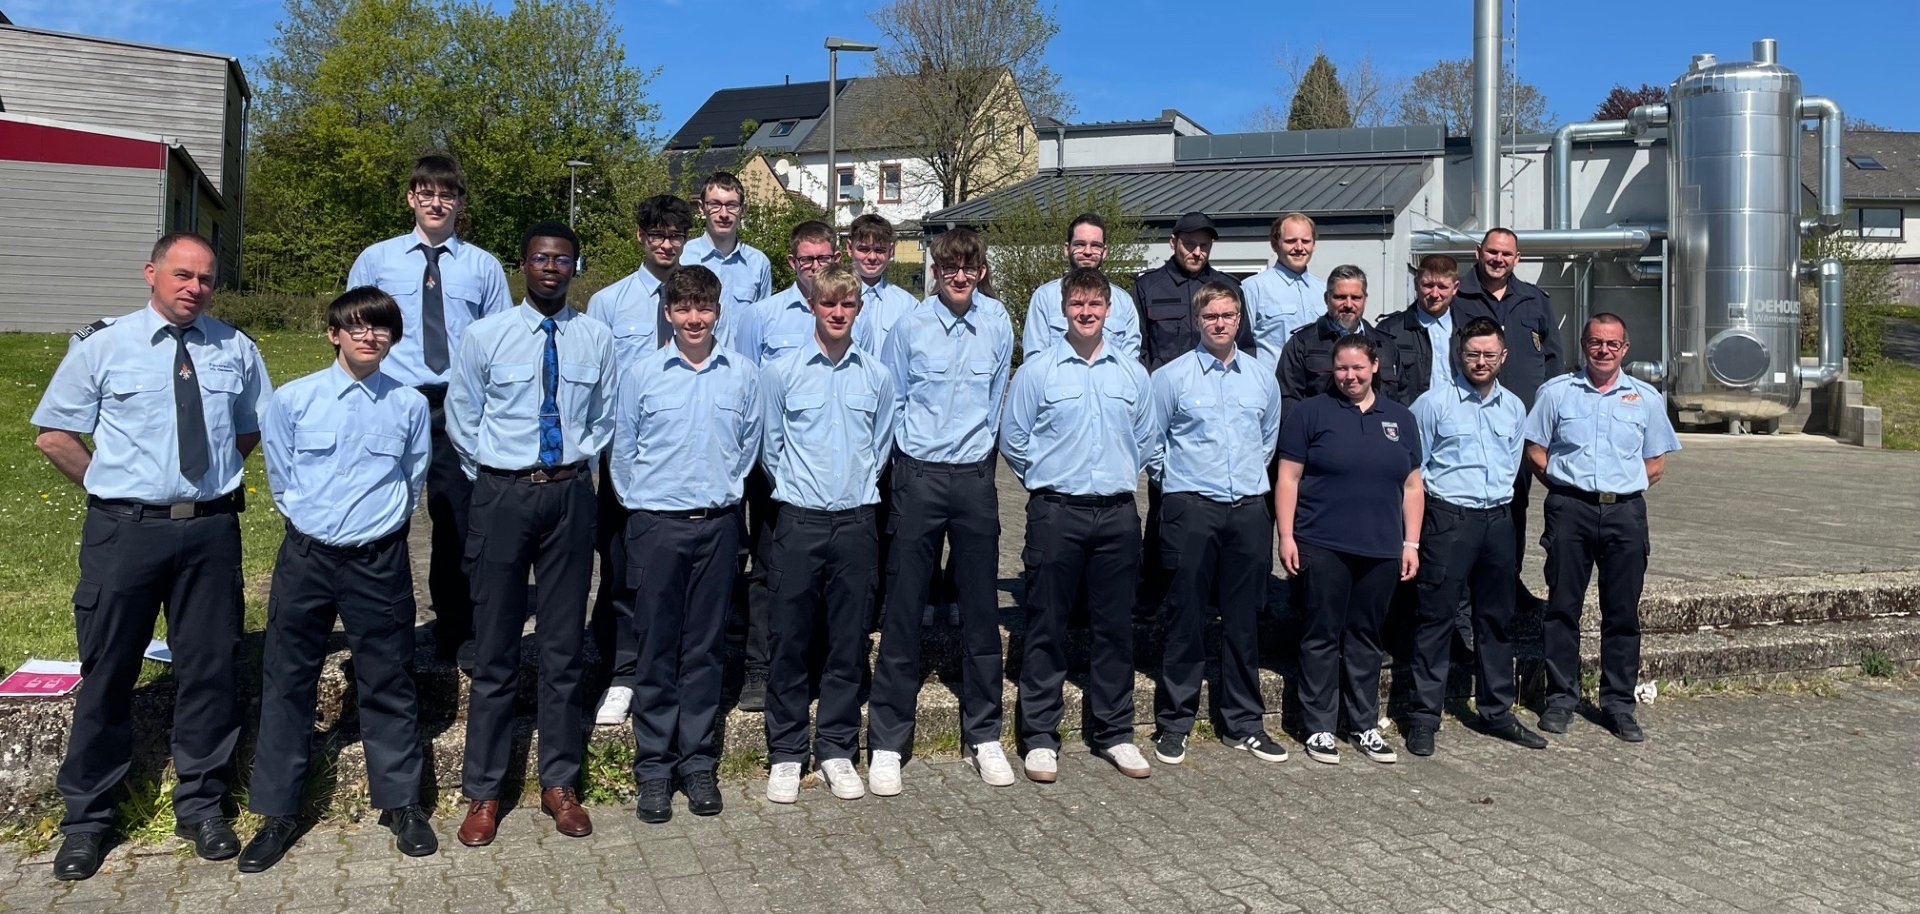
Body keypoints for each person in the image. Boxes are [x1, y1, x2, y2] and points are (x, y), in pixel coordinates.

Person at [33, 233, 270, 881]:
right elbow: (55, 435)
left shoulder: (236, 348)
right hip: (124, 534)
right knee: (109, 670)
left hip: (210, 533)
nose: (195, 287)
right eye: (182, 274)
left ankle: (202, 807)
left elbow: (249, 428)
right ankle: (88, 820)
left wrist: (202, 483)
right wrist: (112, 487)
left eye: (206, 278)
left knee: (210, 669)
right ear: (151, 273)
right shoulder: (102, 344)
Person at [242, 288, 434, 872]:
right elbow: (281, 475)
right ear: (334, 334)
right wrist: (313, 523)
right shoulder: (294, 399)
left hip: (378, 560)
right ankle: (278, 812)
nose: (369, 336)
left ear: (392, 339)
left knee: (389, 677)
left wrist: (380, 527)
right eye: (357, 326)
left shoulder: (409, 405)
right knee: (287, 679)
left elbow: (412, 476)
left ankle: (401, 803)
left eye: (381, 328)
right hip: (308, 557)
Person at [447, 221, 616, 845]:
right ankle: (484, 791)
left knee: (562, 647)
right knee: (495, 648)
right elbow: (462, 416)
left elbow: (605, 414)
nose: (551, 267)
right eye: (541, 257)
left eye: (563, 259)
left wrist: (573, 461)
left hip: (570, 495)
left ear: (575, 268)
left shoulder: (596, 338)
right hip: (502, 495)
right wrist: (499, 474)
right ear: (522, 265)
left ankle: (560, 783)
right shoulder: (484, 336)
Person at [346, 154, 512, 663]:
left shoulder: (483, 266)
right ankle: (380, 628)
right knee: (378, 511)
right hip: (390, 399)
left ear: (460, 203)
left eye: (447, 194)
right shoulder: (376, 260)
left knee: (456, 517)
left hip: (456, 403)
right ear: (410, 198)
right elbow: (354, 329)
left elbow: (500, 343)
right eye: (426, 193)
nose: (436, 203)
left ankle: (456, 629)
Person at [867, 228, 1015, 796]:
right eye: (948, 266)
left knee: (980, 610)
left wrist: (982, 462)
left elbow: (996, 398)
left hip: (974, 478)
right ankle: (887, 741)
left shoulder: (998, 322)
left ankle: (984, 735)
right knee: (904, 609)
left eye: (968, 266)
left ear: (981, 271)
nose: (958, 275)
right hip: (919, 475)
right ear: (934, 271)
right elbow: (893, 400)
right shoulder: (910, 326)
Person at [611, 265, 761, 824]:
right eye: (683, 308)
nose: (694, 318)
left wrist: (720, 493)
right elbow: (623, 450)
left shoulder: (743, 375)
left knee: (704, 648)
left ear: (718, 312)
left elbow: (748, 446)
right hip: (658, 527)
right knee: (656, 646)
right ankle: (654, 767)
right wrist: (646, 505)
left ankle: (697, 763)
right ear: (668, 313)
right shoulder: (642, 374)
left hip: (718, 526)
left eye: (704, 308)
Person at [1001, 266, 1159, 783]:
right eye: (1077, 304)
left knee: (1114, 629)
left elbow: (1146, 438)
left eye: (1095, 304)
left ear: (1109, 310)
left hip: (1116, 514)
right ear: (1063, 309)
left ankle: (1114, 732)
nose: (1086, 312)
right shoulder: (1038, 371)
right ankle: (1040, 738)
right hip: (1056, 513)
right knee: (1045, 624)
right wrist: (1048, 480)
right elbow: (1014, 438)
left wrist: (1113, 473)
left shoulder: (1132, 373)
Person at [758, 264, 900, 804]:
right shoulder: (781, 372)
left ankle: (837, 749)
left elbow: (880, 446)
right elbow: (770, 447)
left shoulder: (877, 376)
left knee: (847, 642)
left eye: (847, 305)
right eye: (828, 304)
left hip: (857, 523)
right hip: (799, 521)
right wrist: (801, 489)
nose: (838, 313)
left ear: (858, 310)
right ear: (813, 307)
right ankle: (787, 752)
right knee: (789, 640)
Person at [1146, 282, 1286, 766]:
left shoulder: (1262, 378)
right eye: (1211, 316)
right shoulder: (1171, 377)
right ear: (1197, 321)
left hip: (1247, 509)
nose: (1220, 323)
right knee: (1184, 616)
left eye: (1227, 315)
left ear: (1240, 319)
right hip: (1192, 508)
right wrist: (1180, 485)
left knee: (1244, 620)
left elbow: (1267, 440)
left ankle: (1244, 723)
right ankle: (1174, 723)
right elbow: (1153, 442)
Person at [1523, 313, 1679, 742]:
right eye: (1595, 342)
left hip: (1624, 515)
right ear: (1584, 345)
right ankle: (1561, 699)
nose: (1603, 350)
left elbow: (1656, 463)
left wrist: (1618, 487)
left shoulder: (1646, 398)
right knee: (1562, 609)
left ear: (1625, 348)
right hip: (1570, 511)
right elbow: (1535, 449)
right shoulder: (1556, 393)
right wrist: (1565, 487)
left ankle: (1618, 705)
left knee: (1622, 613)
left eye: (1612, 344)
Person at [1403, 317, 1549, 757]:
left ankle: (1496, 711)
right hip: (1449, 520)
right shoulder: (1432, 404)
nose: (1481, 362)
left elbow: (1512, 462)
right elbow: (1414, 470)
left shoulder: (1514, 407)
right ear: (1459, 355)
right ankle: (1423, 718)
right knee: (1435, 619)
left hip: (1498, 520)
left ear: (1503, 357)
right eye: (1473, 354)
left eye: (1489, 354)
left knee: (1495, 620)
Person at [1275, 333, 1422, 766]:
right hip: (1323, 543)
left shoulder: (1400, 418)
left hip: (1381, 547)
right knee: (1321, 635)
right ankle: (1319, 726)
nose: (1350, 376)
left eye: (1358, 367)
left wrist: (1411, 542)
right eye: (1342, 368)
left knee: (1366, 637)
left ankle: (1364, 724)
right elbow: (1288, 478)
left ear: (1375, 366)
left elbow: (1413, 486)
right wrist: (1286, 536)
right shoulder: (1310, 413)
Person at [586, 194, 694, 727]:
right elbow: (597, 383)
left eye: (675, 235)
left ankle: (675, 667)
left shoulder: (700, 300)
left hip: (685, 455)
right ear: (641, 237)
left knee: (680, 571)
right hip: (629, 457)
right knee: (622, 569)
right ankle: (622, 673)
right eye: (657, 235)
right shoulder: (608, 303)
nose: (666, 244)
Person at [729, 219, 842, 711]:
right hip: (774, 465)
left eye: (823, 258)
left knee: (825, 572)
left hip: (828, 464)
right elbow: (744, 388)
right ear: (792, 262)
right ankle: (759, 667)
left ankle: (816, 663)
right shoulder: (762, 316)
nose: (815, 267)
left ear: (835, 258)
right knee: (767, 568)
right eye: (806, 259)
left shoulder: (845, 310)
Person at [1453, 228, 1565, 594]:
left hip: (1519, 424)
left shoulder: (1534, 299)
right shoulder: (1457, 295)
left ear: (1517, 258)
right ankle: (1464, 587)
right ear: (1478, 252)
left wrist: (1548, 417)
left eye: (1506, 254)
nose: (1498, 259)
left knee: (1514, 503)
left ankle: (1508, 583)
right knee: (1464, 502)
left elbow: (1553, 358)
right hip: (1467, 418)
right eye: (1492, 252)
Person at [1132, 211, 1252, 370]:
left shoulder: (1229, 288)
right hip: (1164, 382)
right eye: (1189, 244)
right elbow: (1138, 349)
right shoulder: (1147, 287)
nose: (1197, 252)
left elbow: (1245, 346)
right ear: (1173, 242)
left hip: (1218, 381)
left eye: (1204, 245)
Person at [1275, 264, 1398, 413]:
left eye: (1356, 297)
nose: (1348, 304)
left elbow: (1400, 399)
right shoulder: (1302, 344)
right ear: (1326, 298)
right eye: (1340, 297)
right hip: (1321, 427)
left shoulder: (1385, 346)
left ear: (1365, 300)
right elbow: (1288, 400)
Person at [1021, 213, 1141, 361]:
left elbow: (1130, 363)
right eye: (1080, 244)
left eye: (1095, 245)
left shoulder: (1123, 301)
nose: (1088, 252)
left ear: (1104, 252)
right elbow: (1035, 360)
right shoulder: (1044, 297)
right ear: (1067, 249)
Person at [682, 171, 774, 317]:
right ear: (701, 207)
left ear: (743, 210)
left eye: (731, 205)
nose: (724, 214)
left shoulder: (758, 264)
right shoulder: (682, 258)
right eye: (715, 204)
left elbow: (762, 321)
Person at [1376, 254, 1463, 407]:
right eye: (1428, 285)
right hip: (1409, 417)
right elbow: (1380, 386)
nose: (1434, 294)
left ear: (1455, 288)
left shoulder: (1469, 329)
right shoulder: (1389, 331)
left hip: (1460, 417)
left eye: (1442, 287)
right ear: (1416, 284)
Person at [1242, 212, 1326, 366]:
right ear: (1275, 244)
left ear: (1314, 245)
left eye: (1306, 241)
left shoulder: (1324, 290)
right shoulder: (1253, 288)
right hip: (1272, 380)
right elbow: (1241, 346)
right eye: (1291, 241)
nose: (1299, 247)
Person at [847, 213, 921, 355]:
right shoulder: (830, 301)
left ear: (891, 251)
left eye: (880, 250)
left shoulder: (908, 305)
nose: (872, 257)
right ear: (850, 248)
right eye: (864, 249)